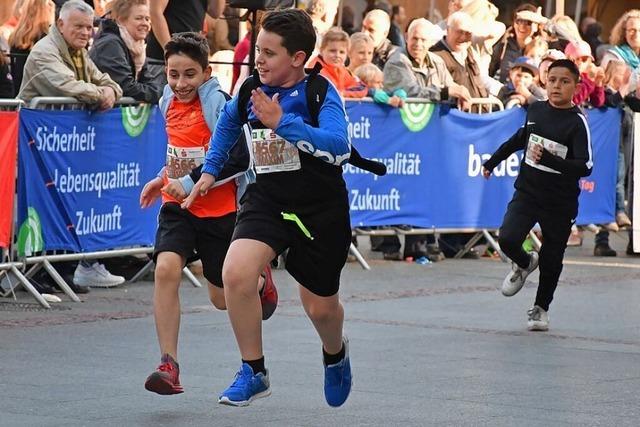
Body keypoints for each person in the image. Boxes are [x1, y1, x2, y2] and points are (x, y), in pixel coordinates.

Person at [183, 9, 353, 407]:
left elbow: (339, 147)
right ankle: (253, 371)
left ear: (297, 58)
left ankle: (335, 354)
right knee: (235, 273)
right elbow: (226, 126)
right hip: (269, 199)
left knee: (320, 308)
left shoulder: (320, 92)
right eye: (258, 50)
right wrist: (208, 172)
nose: (259, 60)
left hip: (319, 208)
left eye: (270, 53)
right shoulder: (248, 90)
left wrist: (283, 123)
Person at [139, 32, 277, 395]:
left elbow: (239, 157)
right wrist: (162, 178)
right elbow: (181, 151)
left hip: (219, 211)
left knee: (221, 297)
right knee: (166, 268)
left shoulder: (220, 104)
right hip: (179, 208)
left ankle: (259, 283)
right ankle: (168, 364)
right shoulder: (167, 99)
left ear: (206, 73)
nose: (180, 83)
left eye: (189, 75)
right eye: (173, 74)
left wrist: (187, 180)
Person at [18, 0, 124, 293]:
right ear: (60, 24)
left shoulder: (78, 52)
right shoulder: (44, 52)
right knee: (44, 205)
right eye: (78, 26)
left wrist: (109, 92)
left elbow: (108, 82)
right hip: (37, 145)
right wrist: (100, 94)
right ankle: (39, 273)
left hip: (63, 147)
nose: (85, 32)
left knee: (68, 205)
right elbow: (67, 86)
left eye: (89, 27)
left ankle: (61, 271)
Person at [482, 59, 593, 331]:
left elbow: (586, 166)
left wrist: (552, 160)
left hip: (560, 202)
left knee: (552, 257)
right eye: (552, 79)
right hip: (528, 192)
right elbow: (520, 139)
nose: (557, 86)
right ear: (545, 81)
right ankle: (523, 262)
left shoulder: (577, 123)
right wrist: (492, 161)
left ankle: (541, 309)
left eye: (564, 81)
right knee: (507, 237)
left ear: (575, 86)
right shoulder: (536, 110)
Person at [90, 0, 162, 103]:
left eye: (147, 19)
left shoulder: (138, 47)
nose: (145, 23)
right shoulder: (110, 44)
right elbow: (126, 87)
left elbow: (151, 84)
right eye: (139, 18)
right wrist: (154, 93)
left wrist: (154, 92)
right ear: (121, 20)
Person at [146, 0, 225, 84]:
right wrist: (170, 52)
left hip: (192, 55)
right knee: (161, 95)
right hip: (162, 59)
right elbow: (155, 13)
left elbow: (215, 12)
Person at [8, 0, 54, 96]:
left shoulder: (15, 37)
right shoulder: (46, 39)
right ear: (47, 11)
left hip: (18, 94)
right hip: (37, 96)